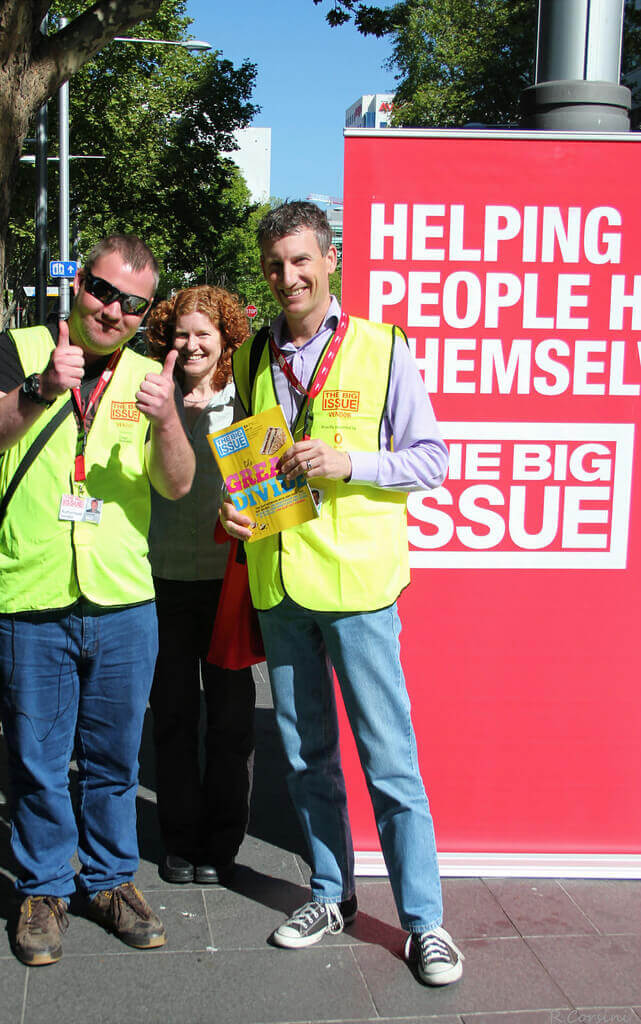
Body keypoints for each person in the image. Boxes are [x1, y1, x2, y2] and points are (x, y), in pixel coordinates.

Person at [220, 202, 464, 987]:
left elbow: (431, 459)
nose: (286, 276)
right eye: (272, 264)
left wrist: (351, 464)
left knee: (389, 761)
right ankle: (331, 894)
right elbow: (256, 468)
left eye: (299, 260)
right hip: (280, 581)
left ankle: (424, 922)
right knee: (305, 757)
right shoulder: (255, 354)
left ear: (330, 261)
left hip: (358, 586)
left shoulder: (382, 348)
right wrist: (238, 511)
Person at [0, 234, 195, 967]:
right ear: (77, 283)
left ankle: (109, 881)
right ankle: (40, 887)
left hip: (123, 600)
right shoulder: (19, 347)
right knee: (36, 758)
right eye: (101, 290)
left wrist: (166, 421)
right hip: (32, 594)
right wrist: (37, 389)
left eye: (133, 303)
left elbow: (178, 484)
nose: (111, 309)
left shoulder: (146, 378)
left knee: (113, 760)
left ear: (144, 314)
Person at [146, 285, 256, 886]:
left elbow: (265, 488)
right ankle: (179, 838)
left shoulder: (241, 403)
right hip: (161, 577)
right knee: (173, 714)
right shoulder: (153, 394)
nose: (191, 344)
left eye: (203, 335)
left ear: (225, 340)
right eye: (182, 333)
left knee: (231, 719)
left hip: (226, 585)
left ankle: (223, 841)